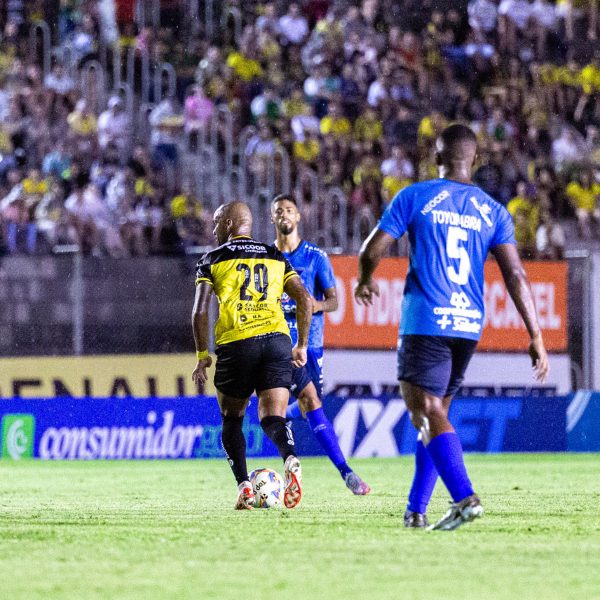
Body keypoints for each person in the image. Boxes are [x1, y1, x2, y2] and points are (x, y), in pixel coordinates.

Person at [355, 124, 549, 531]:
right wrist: (535, 334)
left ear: (435, 157)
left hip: (426, 319)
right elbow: (516, 274)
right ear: (475, 161)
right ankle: (416, 510)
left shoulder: (416, 195)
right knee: (435, 413)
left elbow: (372, 249)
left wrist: (365, 278)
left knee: (425, 411)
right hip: (467, 325)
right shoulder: (494, 211)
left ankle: (465, 497)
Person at [192, 201, 312, 510]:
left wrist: (202, 354)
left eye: (217, 221)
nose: (214, 228)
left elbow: (199, 311)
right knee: (273, 416)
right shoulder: (275, 255)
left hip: (237, 343)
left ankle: (245, 488)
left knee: (232, 418)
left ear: (230, 225)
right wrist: (302, 344)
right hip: (276, 341)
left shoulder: (212, 259)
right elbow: (305, 299)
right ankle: (291, 458)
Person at [271, 194, 371, 496]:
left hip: (310, 345)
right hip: (277, 343)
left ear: (298, 216)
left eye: (289, 210)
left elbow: (334, 301)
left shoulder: (315, 257)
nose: (284, 215)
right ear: (273, 218)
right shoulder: (267, 258)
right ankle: (346, 473)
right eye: (279, 211)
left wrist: (311, 304)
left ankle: (280, 418)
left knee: (308, 407)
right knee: (309, 402)